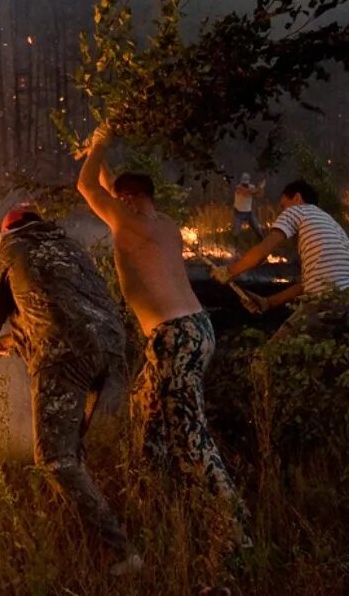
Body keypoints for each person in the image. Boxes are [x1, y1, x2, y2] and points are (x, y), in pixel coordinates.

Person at [76, 125, 249, 546]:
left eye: (118, 198)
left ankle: (233, 529)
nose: (112, 206)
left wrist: (99, 140)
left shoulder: (129, 220)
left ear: (129, 200)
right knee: (146, 410)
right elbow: (105, 183)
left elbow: (85, 185)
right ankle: (155, 499)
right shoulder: (165, 224)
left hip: (175, 337)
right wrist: (104, 151)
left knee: (190, 434)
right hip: (195, 329)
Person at [0, 203, 139, 574]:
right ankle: (73, 529)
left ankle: (121, 552)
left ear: (6, 232)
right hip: (112, 349)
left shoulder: (8, 250)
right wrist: (9, 344)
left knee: (54, 458)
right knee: (72, 453)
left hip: (64, 357)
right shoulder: (71, 249)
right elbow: (57, 310)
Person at [214, 179, 349, 340]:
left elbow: (262, 253)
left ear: (297, 198)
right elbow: (309, 283)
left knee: (273, 358)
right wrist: (268, 302)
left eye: (283, 206)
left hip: (328, 300)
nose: (282, 211)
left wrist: (228, 271)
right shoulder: (329, 223)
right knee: (343, 360)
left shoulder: (297, 211)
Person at [231, 173, 266, 239]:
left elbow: (259, 195)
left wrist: (262, 187)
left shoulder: (252, 187)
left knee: (256, 228)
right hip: (238, 213)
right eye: (243, 183)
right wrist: (259, 188)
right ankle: (234, 245)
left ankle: (261, 241)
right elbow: (246, 193)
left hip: (249, 212)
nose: (245, 185)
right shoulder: (238, 187)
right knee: (236, 231)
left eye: (246, 183)